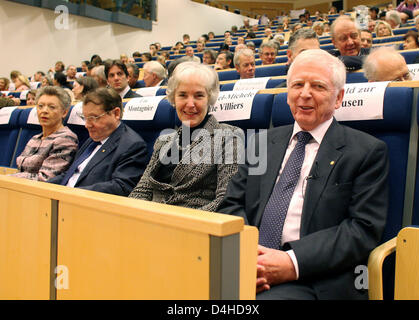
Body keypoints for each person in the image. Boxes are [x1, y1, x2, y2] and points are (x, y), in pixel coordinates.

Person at [219, 49, 389, 300]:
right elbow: (231, 204)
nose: (305, 94)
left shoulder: (367, 152)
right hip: (248, 265)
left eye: (318, 86)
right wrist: (248, 255)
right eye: (297, 84)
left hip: (314, 276)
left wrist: (291, 262)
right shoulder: (261, 143)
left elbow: (362, 230)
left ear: (339, 97)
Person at [129, 62, 242, 212]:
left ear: (210, 98)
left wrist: (178, 224)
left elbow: (224, 199)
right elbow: (142, 190)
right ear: (173, 99)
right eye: (182, 95)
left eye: (199, 95)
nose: (190, 104)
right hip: (150, 222)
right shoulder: (164, 141)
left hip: (194, 226)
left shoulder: (228, 137)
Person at [48, 88, 149, 196]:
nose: (87, 125)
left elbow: (121, 187)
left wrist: (74, 193)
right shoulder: (93, 140)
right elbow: (71, 175)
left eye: (94, 118)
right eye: (85, 118)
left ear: (116, 113)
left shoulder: (132, 145)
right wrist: (42, 186)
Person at [11, 86, 78, 181]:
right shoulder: (35, 138)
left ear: (64, 112)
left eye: (51, 107)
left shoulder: (66, 139)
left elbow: (45, 178)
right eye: (40, 106)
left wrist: (10, 178)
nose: (44, 111)